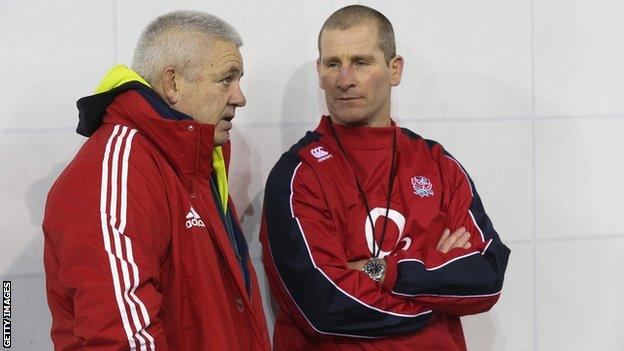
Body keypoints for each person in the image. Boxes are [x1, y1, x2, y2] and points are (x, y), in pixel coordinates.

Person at [260, 5, 511, 350]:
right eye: (333, 63)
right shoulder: (298, 175)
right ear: (319, 72)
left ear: (395, 69)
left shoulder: (438, 164)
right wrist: (434, 294)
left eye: (361, 62)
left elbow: (486, 278)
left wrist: (383, 271)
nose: (344, 79)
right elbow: (323, 306)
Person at [43, 10, 270, 350]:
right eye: (227, 79)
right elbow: (120, 339)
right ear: (173, 83)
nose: (240, 97)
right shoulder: (120, 169)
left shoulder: (196, 160)